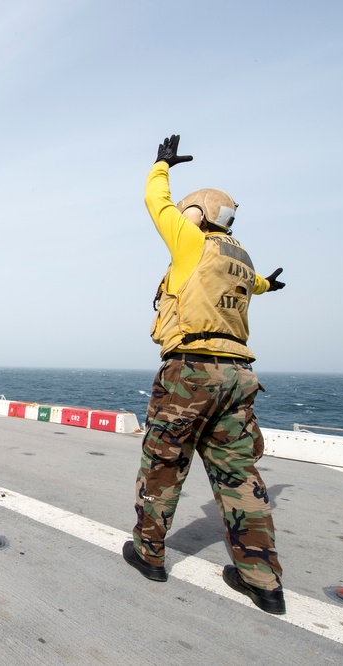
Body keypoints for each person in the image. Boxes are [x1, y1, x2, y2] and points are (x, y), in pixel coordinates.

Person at [122, 134, 287, 615]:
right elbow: (256, 284)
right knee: (239, 475)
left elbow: (157, 203)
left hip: (192, 371)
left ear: (197, 214)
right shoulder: (242, 258)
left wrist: (161, 167)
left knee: (165, 462)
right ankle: (263, 580)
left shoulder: (192, 241)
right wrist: (267, 286)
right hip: (239, 376)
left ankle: (150, 554)